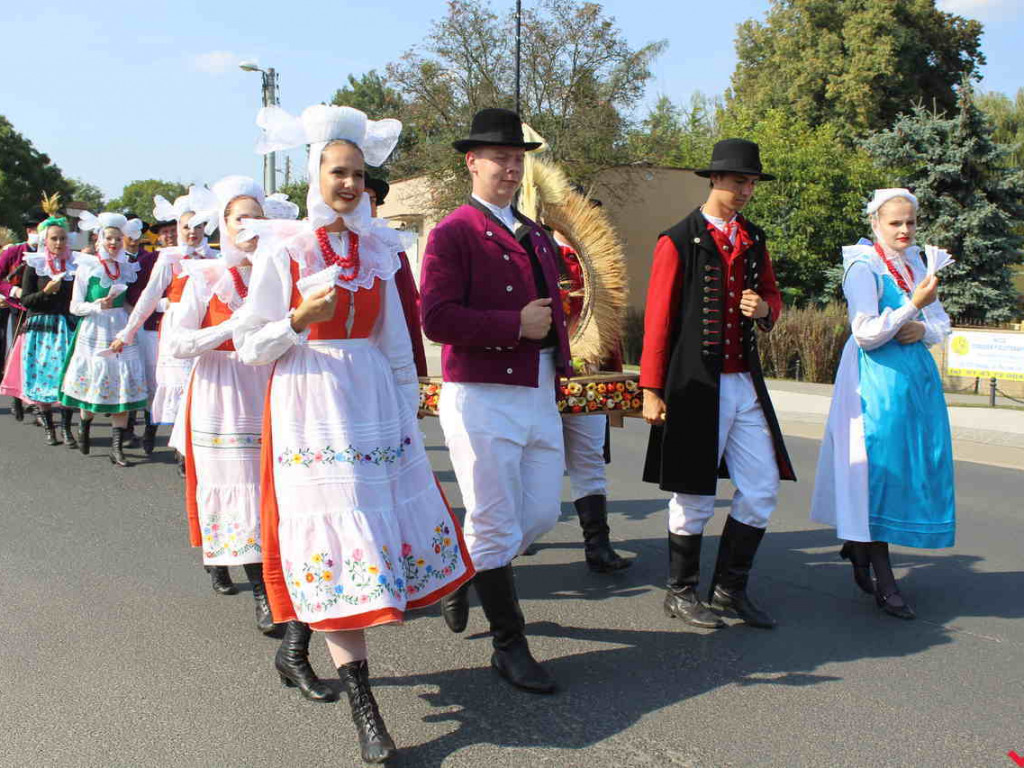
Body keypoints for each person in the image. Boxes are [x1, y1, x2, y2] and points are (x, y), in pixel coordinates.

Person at [235, 104, 473, 764]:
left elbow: (395, 341)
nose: (349, 184)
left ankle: (294, 646)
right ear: (315, 175)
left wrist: (408, 414)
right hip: (309, 403)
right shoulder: (282, 248)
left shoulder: (377, 246)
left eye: (359, 174)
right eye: (338, 172)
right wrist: (298, 318)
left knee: (375, 529)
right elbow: (252, 344)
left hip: (370, 403)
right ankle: (367, 710)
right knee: (336, 540)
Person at [421, 108, 571, 693]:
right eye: (499, 159)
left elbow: (554, 314)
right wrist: (513, 325)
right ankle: (510, 647)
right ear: (472, 162)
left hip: (537, 387)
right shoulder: (452, 230)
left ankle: (468, 570)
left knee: (539, 515)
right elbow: (435, 318)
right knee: (492, 519)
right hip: (480, 392)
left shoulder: (534, 232)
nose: (510, 168)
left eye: (517, 159)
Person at [640, 138, 795, 631]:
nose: (746, 189)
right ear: (715, 180)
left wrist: (766, 309)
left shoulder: (754, 237)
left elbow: (772, 293)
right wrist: (650, 387)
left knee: (762, 486)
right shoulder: (678, 238)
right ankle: (681, 592)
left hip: (743, 381)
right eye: (737, 181)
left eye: (751, 181)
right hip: (692, 384)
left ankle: (730, 589)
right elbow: (658, 320)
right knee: (694, 492)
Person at [811, 189, 955, 620]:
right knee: (878, 474)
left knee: (915, 467)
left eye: (910, 222)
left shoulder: (914, 263)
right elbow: (866, 332)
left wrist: (922, 330)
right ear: (876, 223)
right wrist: (911, 308)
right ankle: (884, 578)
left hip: (914, 383)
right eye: (896, 223)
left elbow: (942, 323)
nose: (905, 230)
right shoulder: (863, 265)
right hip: (875, 384)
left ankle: (859, 545)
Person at [169, 175, 299, 629]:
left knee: (274, 487)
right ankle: (263, 595)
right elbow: (177, 344)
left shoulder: (280, 270)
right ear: (223, 224)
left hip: (269, 384)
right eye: (240, 217)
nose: (249, 226)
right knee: (240, 491)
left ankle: (285, 582)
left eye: (257, 217)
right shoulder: (205, 277)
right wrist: (233, 327)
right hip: (221, 391)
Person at [111, 189, 219, 477]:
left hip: (208, 328)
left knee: (203, 389)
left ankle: (198, 446)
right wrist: (128, 331)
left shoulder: (216, 257)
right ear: (179, 229)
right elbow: (148, 298)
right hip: (178, 329)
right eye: (186, 226)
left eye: (198, 226)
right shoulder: (169, 259)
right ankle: (182, 450)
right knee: (180, 391)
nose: (192, 232)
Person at [551, 227, 631, 573]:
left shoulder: (597, 260)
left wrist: (610, 372)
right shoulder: (535, 248)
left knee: (589, 461)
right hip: (543, 375)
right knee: (531, 460)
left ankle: (598, 545)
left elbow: (609, 320)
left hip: (588, 376)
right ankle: (511, 540)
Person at [58, 213, 148, 466]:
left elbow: (129, 302)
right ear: (100, 238)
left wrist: (140, 318)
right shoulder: (88, 266)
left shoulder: (127, 266)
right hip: (95, 328)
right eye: (109, 238)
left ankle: (116, 448)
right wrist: (98, 305)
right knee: (93, 385)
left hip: (120, 328)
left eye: (118, 238)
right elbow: (75, 306)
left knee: (123, 383)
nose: (114, 243)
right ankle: (84, 425)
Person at [0, 210, 79, 447]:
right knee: (42, 378)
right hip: (40, 327)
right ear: (45, 241)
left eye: (62, 238)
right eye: (54, 239)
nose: (58, 243)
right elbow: (26, 301)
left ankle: (67, 430)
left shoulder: (75, 266)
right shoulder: (34, 265)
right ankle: (49, 429)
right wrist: (46, 292)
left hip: (65, 326)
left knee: (67, 379)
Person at [365, 174, 428, 378]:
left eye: (371, 201)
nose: (366, 207)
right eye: (360, 199)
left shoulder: (390, 246)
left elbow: (408, 301)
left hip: (390, 352)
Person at [121, 215, 159, 451]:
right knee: (127, 376)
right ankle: (125, 428)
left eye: (138, 234)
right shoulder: (112, 260)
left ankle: (148, 427)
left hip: (145, 322)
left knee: (147, 376)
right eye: (130, 234)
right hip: (119, 319)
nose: (134, 239)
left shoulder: (147, 258)